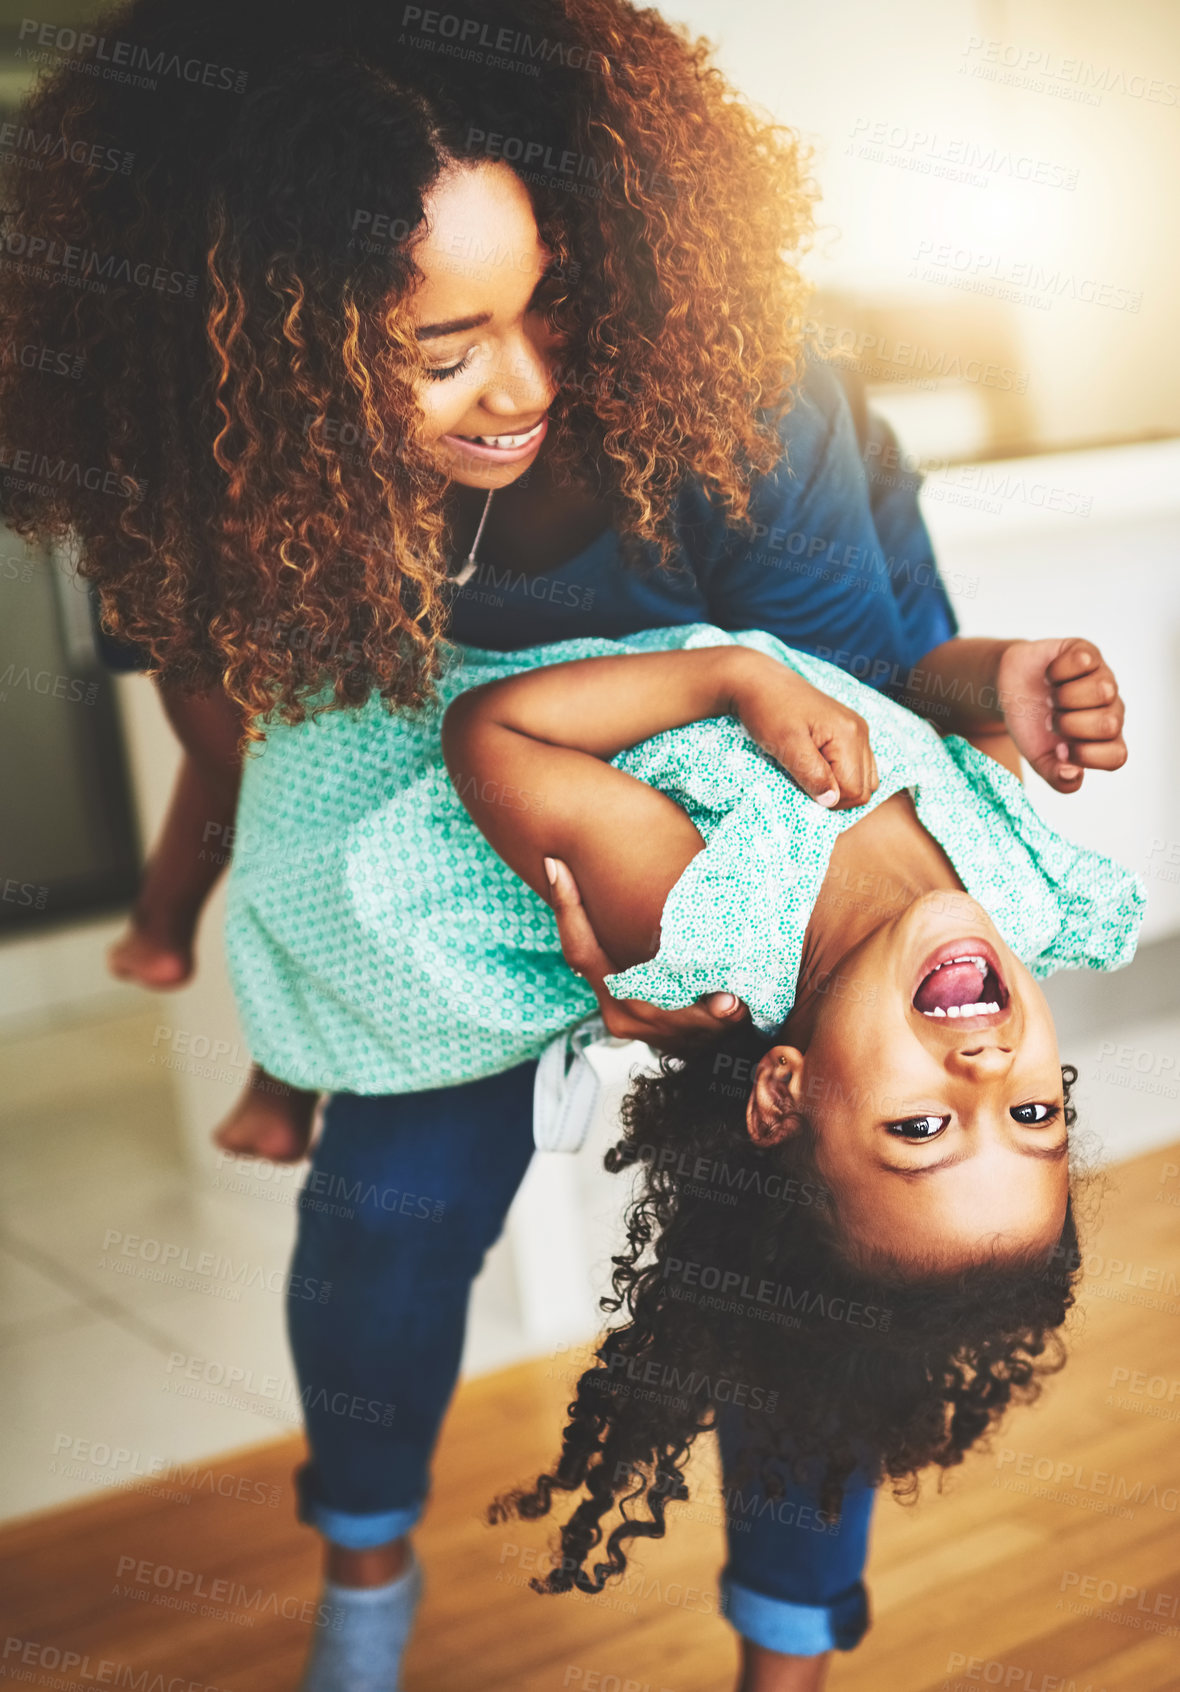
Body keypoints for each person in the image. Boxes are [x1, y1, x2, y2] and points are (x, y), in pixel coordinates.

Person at [0, 3, 1114, 1686]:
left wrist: (947, 699)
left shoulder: (728, 404)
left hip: (715, 796)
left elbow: (864, 687)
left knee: (816, 1274)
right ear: (267, 352)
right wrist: (995, 703)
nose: (518, 389)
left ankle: (790, 1644)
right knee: (394, 1204)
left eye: (547, 310)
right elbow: (256, 722)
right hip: (557, 800)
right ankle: (365, 1562)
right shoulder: (209, 454)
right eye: (438, 348)